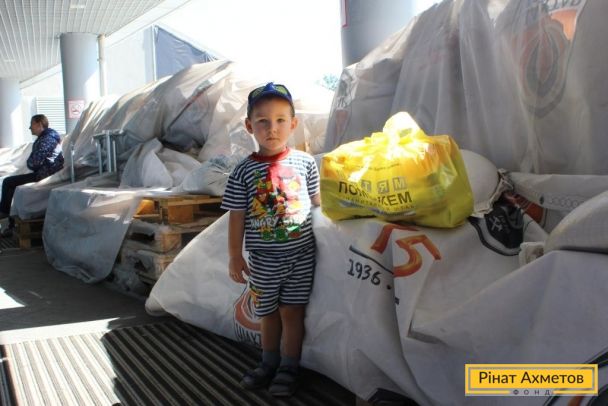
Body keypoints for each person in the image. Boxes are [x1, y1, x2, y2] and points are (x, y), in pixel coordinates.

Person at [221, 82, 321, 397]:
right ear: (249, 126)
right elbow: (236, 216)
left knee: (292, 312)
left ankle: (289, 367)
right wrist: (235, 256)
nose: (272, 128)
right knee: (267, 313)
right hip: (263, 261)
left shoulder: (306, 163)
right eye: (262, 121)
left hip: (301, 258)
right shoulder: (242, 172)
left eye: (280, 120)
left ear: (293, 124)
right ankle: (268, 363)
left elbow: (318, 205)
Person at [0, 114, 64, 237]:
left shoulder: (47, 139)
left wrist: (30, 163)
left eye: (31, 124)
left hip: (44, 174)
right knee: (12, 186)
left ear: (39, 124)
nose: (30, 128)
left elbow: (34, 162)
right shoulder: (48, 137)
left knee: (8, 182)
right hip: (45, 172)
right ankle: (10, 223)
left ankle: (4, 213)